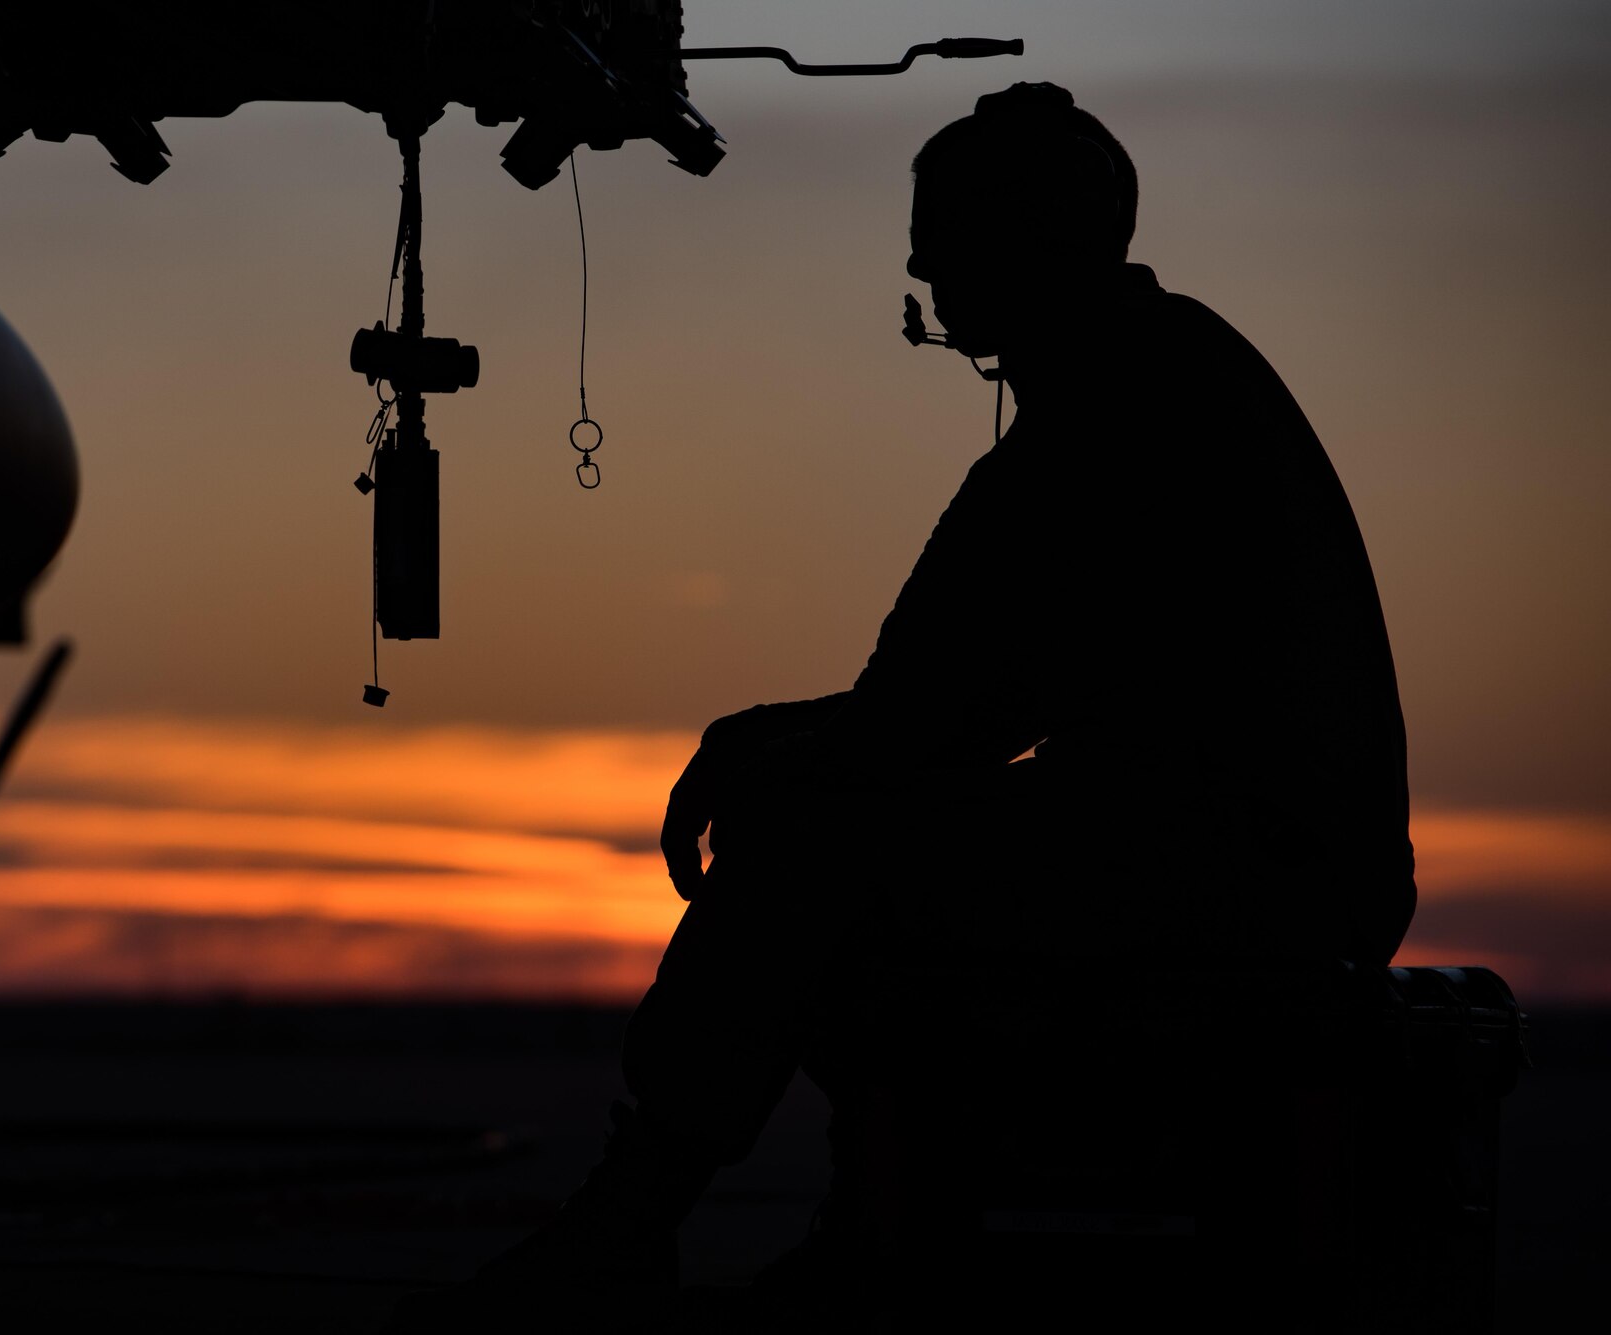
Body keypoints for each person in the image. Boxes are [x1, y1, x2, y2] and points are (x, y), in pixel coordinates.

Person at [414, 78, 1419, 1332]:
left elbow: (917, 721)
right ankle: (865, 1216)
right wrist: (776, 741)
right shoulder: (1173, 377)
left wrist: (750, 761)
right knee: (842, 829)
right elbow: (963, 700)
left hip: (1229, 874)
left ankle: (639, 1216)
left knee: (806, 850)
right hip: (1271, 863)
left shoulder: (1096, 427)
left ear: (1013, 253)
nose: (936, 301)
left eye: (944, 268)